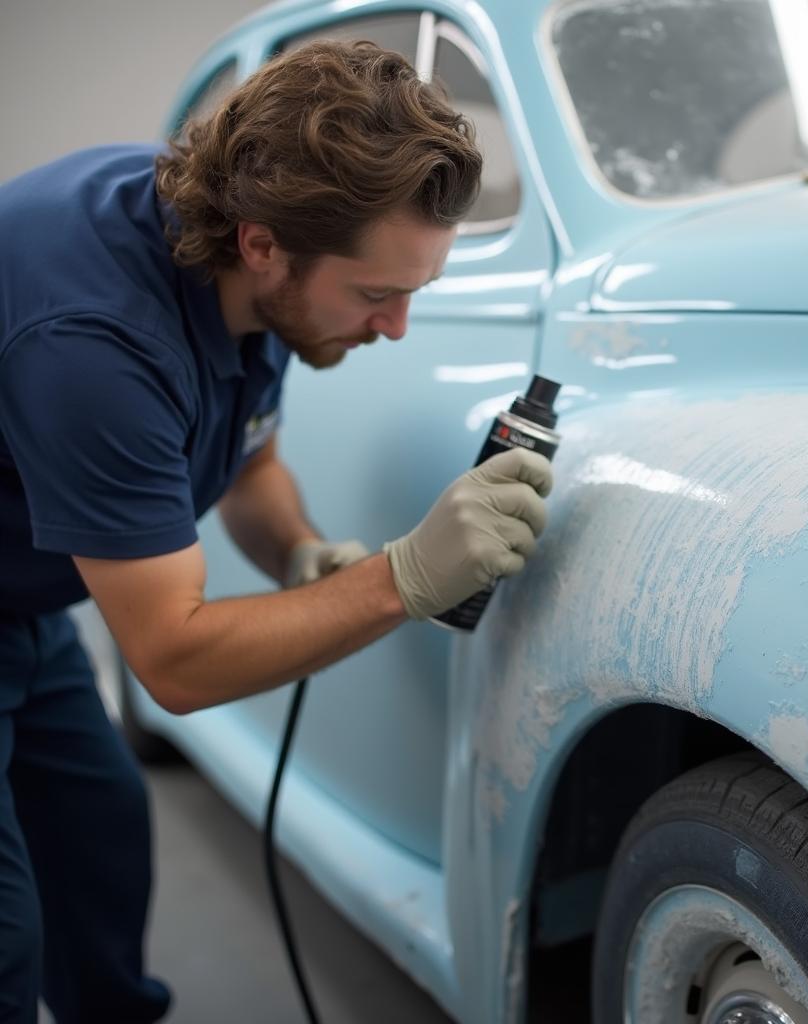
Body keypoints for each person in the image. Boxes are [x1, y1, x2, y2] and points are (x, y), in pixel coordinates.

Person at [0, 40, 552, 1022]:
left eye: (412, 292)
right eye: (377, 295)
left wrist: (299, 550)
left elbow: (245, 457)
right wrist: (400, 578)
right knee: (6, 935)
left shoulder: (265, 274)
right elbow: (172, 659)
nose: (395, 328)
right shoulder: (96, 344)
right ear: (262, 245)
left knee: (98, 834)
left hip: (22, 595)